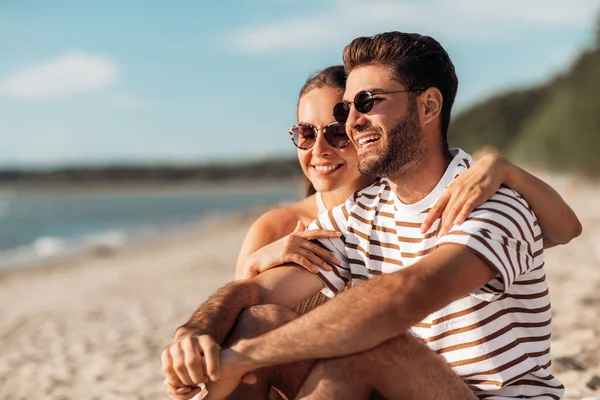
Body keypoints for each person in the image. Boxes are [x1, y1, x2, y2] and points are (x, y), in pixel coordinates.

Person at [162, 33, 582, 400]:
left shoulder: (492, 201)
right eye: (346, 109)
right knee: (258, 321)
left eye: (367, 102)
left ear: (429, 106)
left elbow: (406, 296)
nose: (352, 122)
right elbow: (258, 294)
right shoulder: (361, 213)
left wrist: (241, 359)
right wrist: (196, 334)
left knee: (371, 346)